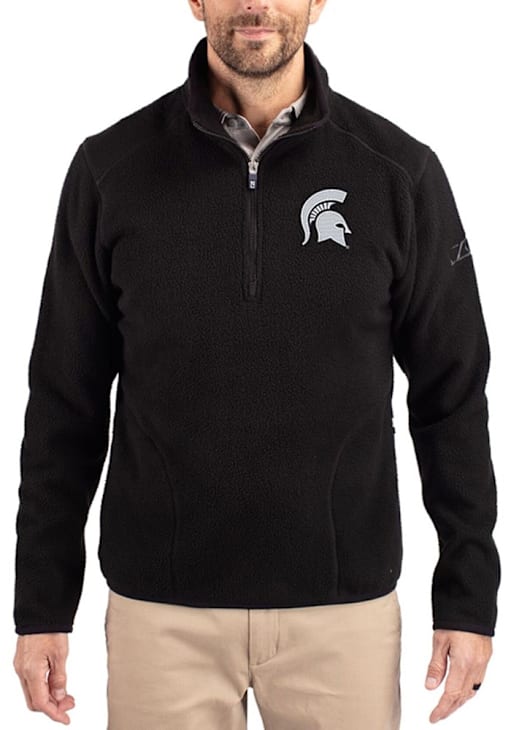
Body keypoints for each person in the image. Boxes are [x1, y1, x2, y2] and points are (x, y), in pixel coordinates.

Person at [12, 1, 500, 728]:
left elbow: (451, 395)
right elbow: (64, 401)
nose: (254, 4)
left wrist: (467, 597)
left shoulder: (398, 173)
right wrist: (42, 606)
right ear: (195, 2)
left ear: (316, 2)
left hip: (343, 615)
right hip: (160, 615)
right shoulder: (111, 170)